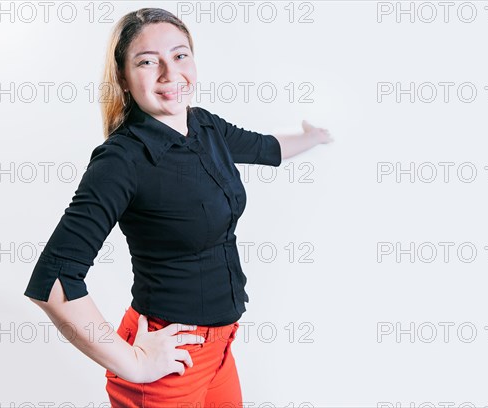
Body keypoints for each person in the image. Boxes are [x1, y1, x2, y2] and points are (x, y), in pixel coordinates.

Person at [23, 7, 333, 407]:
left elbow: (266, 147)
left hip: (220, 350)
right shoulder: (121, 160)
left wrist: (314, 137)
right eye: (148, 62)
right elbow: (54, 281)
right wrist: (132, 363)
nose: (170, 74)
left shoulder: (204, 126)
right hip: (167, 358)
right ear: (122, 76)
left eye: (180, 55)